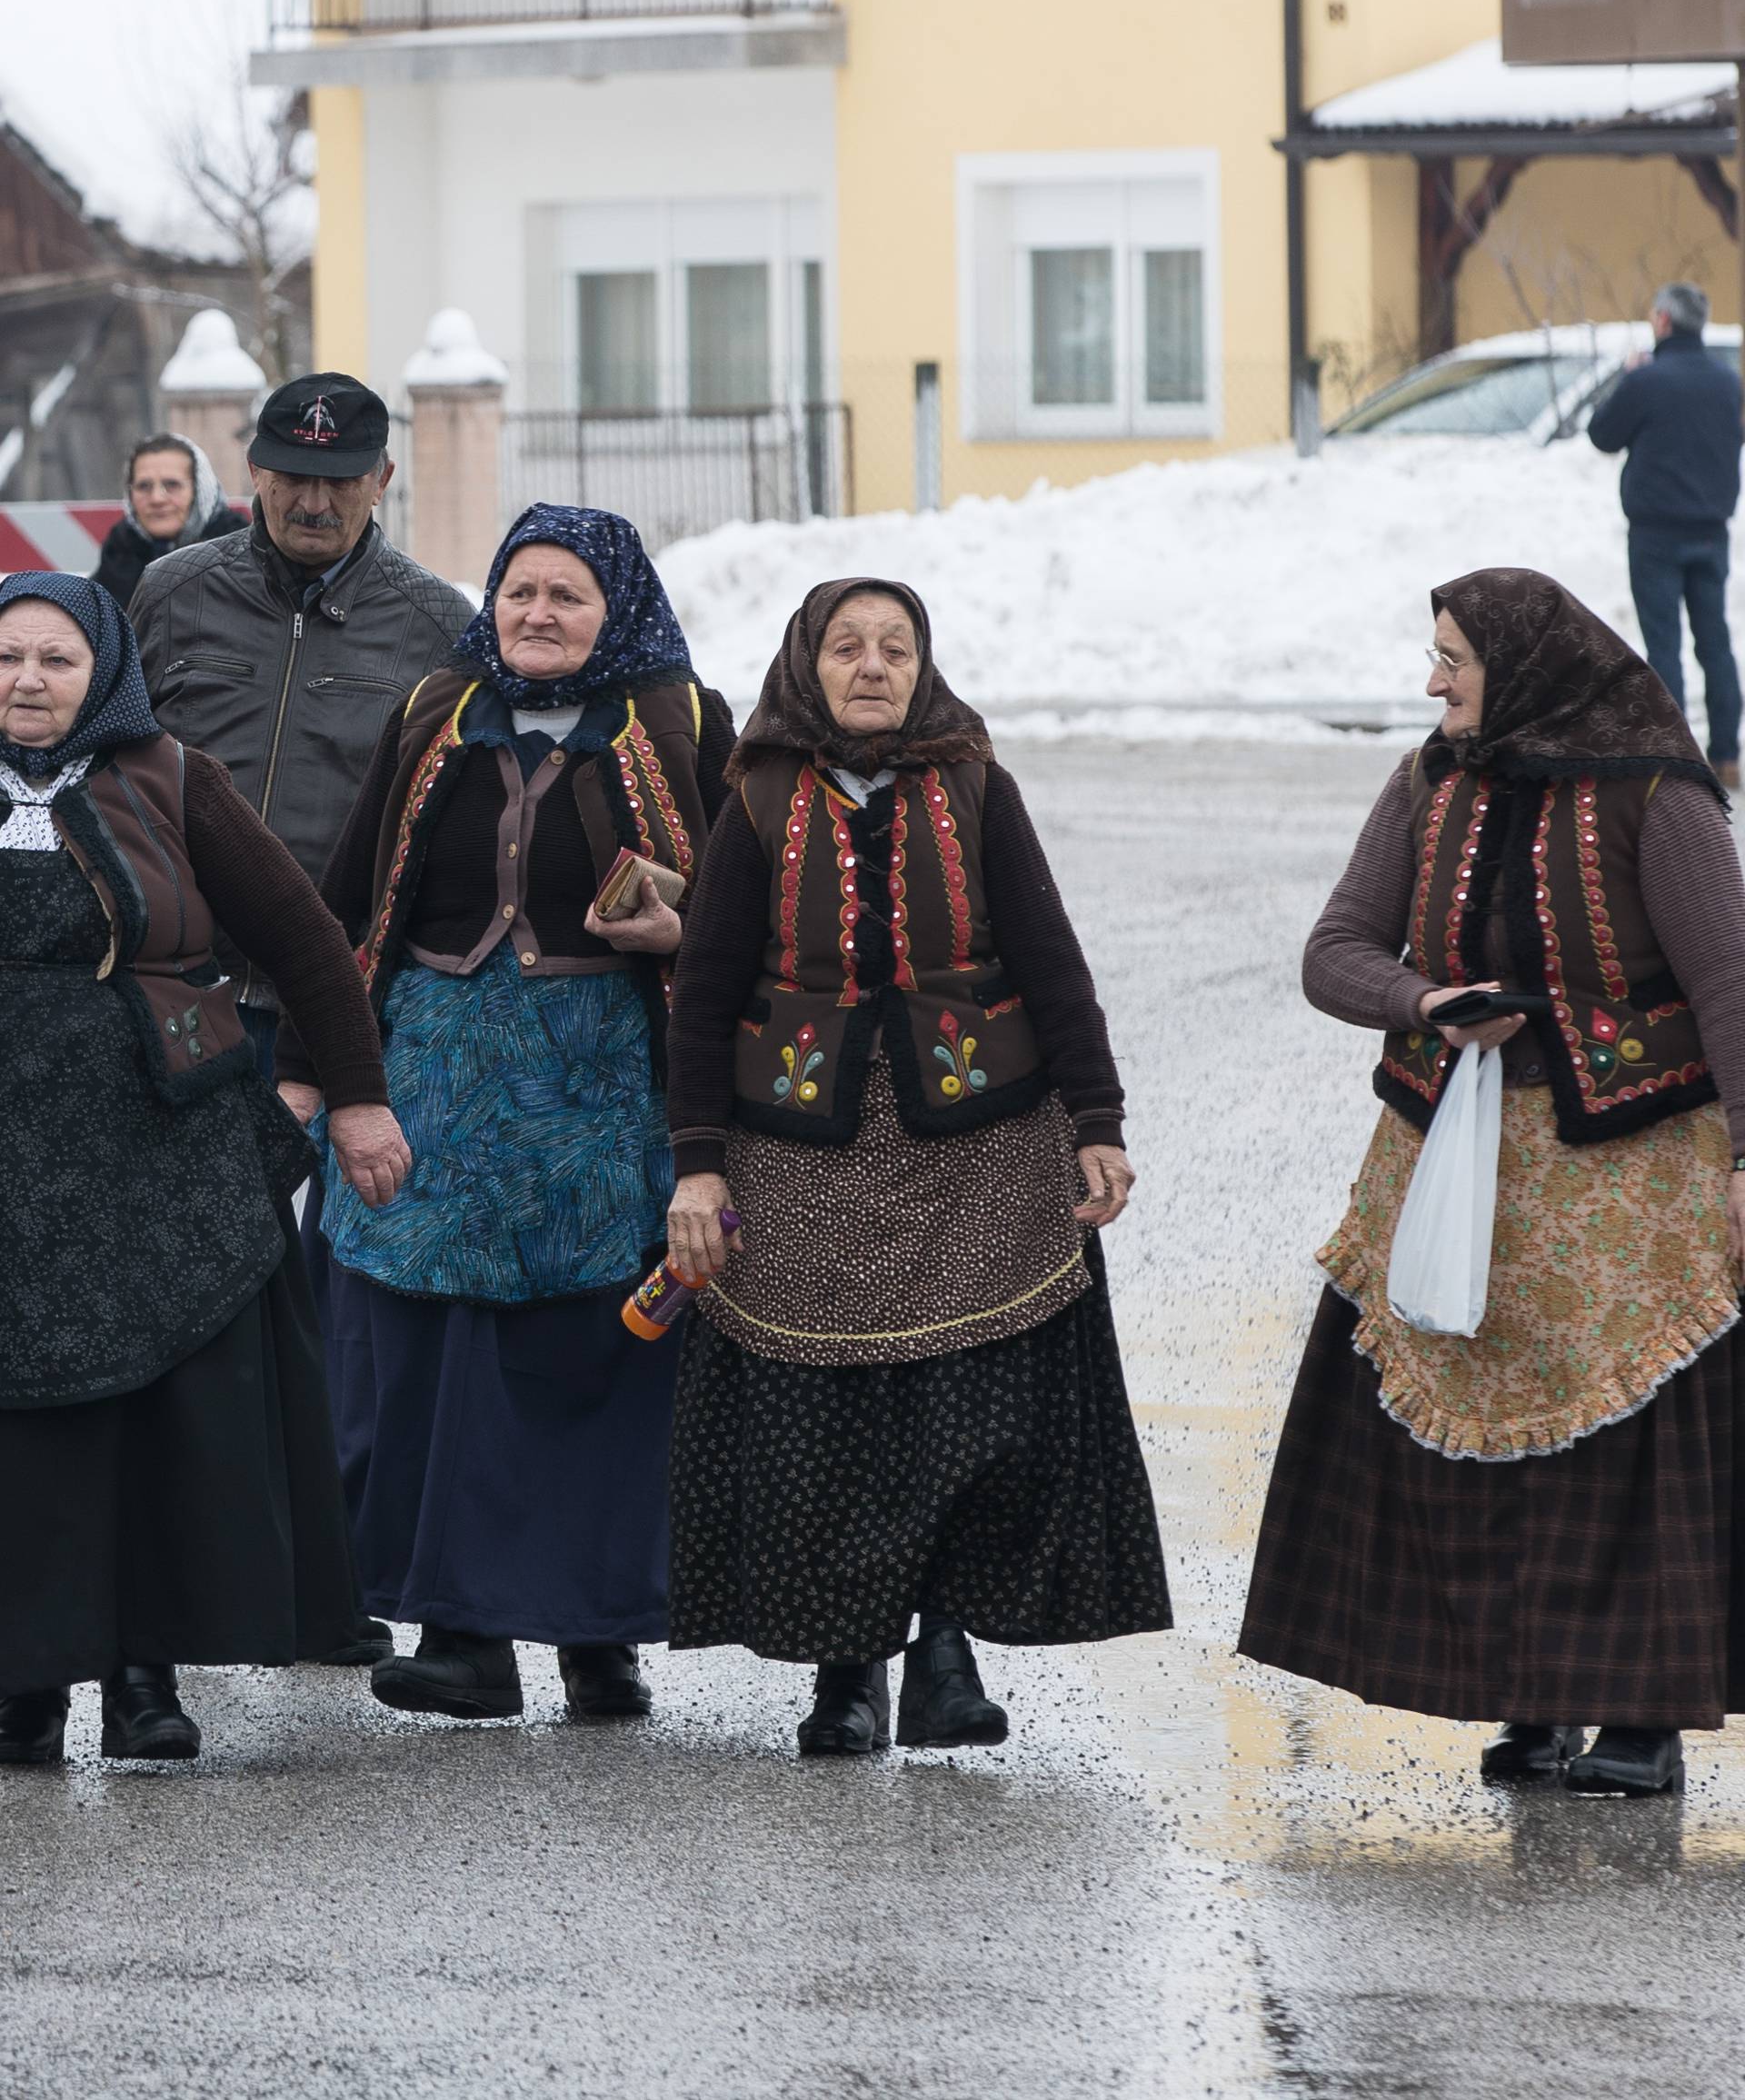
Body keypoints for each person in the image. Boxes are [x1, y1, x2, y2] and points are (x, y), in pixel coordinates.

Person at [1241, 567, 1745, 1797]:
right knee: (1468, 1435)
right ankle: (1526, 1695)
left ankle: (1639, 1711)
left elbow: (1732, 979)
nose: (1432, 681)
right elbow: (1334, 949)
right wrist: (1422, 999)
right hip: (1455, 1153)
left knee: (1624, 1440)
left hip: (1631, 1174)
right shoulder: (1428, 782)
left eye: (1453, 658)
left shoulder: (1649, 789)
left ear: (1522, 665)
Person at [662, 578, 1171, 1758]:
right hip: (801, 1156)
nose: (874, 666)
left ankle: (944, 1653)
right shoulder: (755, 796)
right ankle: (846, 1675)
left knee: (964, 1409)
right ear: (809, 663)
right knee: (827, 1416)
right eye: (849, 646)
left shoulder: (977, 784)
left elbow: (1051, 957)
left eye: (896, 646)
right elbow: (701, 998)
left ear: (924, 664)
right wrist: (697, 1167)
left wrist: (1098, 1120)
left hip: (981, 1145)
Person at [276, 506, 736, 1725]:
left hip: (600, 1100)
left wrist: (686, 926)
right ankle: (462, 1632)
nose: (538, 614)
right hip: (431, 1081)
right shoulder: (438, 714)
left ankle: (601, 1641)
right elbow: (349, 894)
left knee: (595, 1357)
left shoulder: (676, 726)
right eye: (521, 591)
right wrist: (309, 1062)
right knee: (436, 1364)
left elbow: (748, 915)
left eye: (567, 596)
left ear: (616, 611)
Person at [0, 572, 411, 1770]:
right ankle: (25, 1683)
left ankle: (143, 1675)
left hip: (154, 1156)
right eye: (8, 657)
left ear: (106, 674)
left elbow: (306, 944)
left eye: (55, 660)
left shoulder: (171, 778)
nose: (27, 680)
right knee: (25, 1437)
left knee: (152, 1419)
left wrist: (359, 1099)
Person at [130, 373, 474, 1668]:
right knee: (185, 1296)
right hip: (178, 1005)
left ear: (385, 479)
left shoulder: (438, 625)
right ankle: (193, 1574)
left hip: (350, 1006)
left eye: (340, 476)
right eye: (289, 471)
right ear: (251, 470)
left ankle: (335, 1577)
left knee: (348, 1309)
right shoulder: (173, 593)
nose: (313, 496)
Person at [1588, 281, 1745, 790]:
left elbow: (1602, 435)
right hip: (1711, 529)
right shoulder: (1729, 384)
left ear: (1662, 321)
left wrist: (1629, 377)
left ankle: (1675, 757)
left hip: (1655, 532)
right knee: (1715, 641)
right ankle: (1726, 755)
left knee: (1665, 646)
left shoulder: (1647, 380)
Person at [91, 433, 245, 608]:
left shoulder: (242, 559)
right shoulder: (116, 557)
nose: (157, 499)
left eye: (172, 485)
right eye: (143, 486)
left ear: (201, 490)